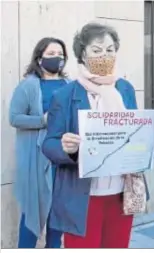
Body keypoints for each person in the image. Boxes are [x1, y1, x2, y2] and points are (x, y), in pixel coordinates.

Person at [42, 22, 154, 248]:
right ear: (83, 54)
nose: (104, 56)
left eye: (110, 50)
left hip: (121, 192)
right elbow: (49, 144)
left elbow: (132, 132)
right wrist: (67, 149)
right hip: (82, 197)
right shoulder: (65, 95)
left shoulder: (125, 89)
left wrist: (147, 142)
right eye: (96, 51)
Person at [9, 37, 69, 248]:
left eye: (60, 54)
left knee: (58, 214)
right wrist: (41, 121)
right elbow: (14, 117)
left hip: (65, 159)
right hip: (39, 160)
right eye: (51, 54)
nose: (57, 58)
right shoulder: (28, 86)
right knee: (33, 214)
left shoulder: (70, 85)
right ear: (39, 57)